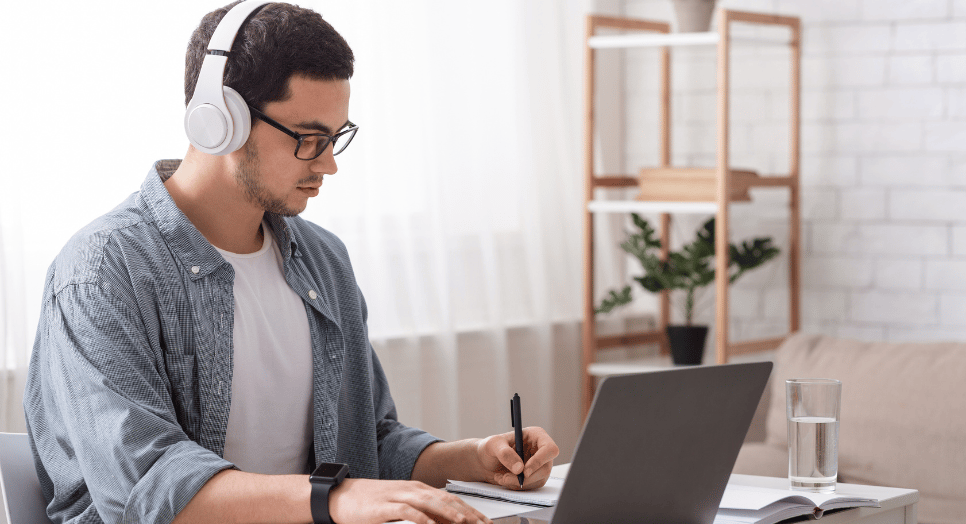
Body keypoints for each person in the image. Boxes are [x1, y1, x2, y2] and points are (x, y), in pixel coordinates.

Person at [23, 2, 559, 523]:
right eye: (309, 139)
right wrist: (337, 500)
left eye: (335, 138)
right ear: (220, 120)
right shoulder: (103, 273)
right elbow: (146, 488)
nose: (327, 164)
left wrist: (472, 458)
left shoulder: (323, 259)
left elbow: (368, 443)